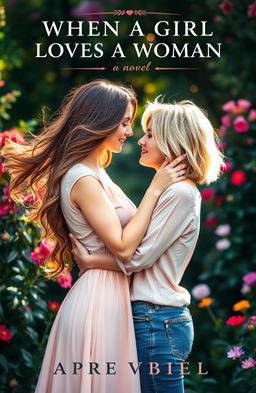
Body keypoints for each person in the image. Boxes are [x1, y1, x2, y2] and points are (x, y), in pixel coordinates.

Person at [2, 80, 188, 393]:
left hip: (109, 293)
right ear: (100, 120)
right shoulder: (82, 178)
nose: (129, 133)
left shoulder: (97, 172)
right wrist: (156, 187)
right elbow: (124, 247)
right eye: (125, 123)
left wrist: (92, 259)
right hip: (98, 302)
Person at [69, 99, 224, 393]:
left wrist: (91, 262)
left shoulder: (179, 192)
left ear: (173, 140)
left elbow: (138, 258)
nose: (140, 139)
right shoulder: (172, 190)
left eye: (150, 134)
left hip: (157, 318)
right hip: (155, 318)